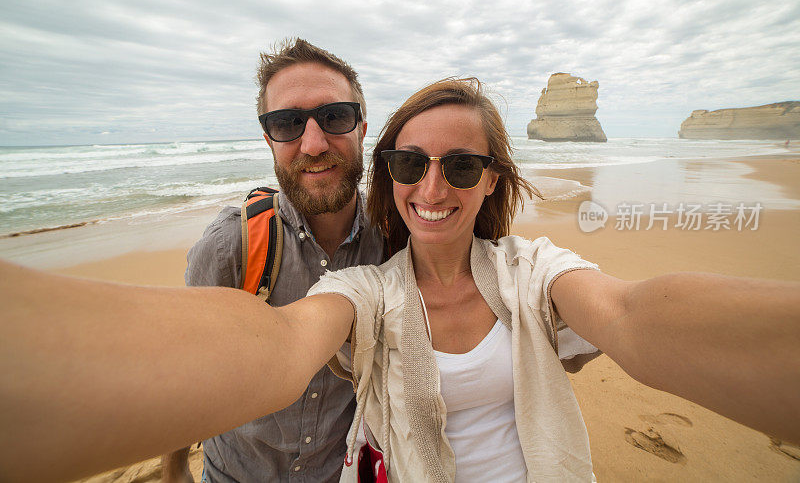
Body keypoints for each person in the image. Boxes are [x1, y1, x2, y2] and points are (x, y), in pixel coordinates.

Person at [0, 79, 798, 483]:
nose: (433, 186)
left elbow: (630, 314)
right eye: (411, 163)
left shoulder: (532, 271)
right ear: (389, 174)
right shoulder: (369, 292)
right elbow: (281, 343)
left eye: (461, 164)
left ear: (492, 180)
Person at [161, 38, 384, 483]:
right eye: (288, 123)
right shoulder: (232, 247)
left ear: (361, 127)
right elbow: (185, 367)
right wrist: (173, 470)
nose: (314, 144)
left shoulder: (392, 241)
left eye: (334, 116)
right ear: (269, 138)